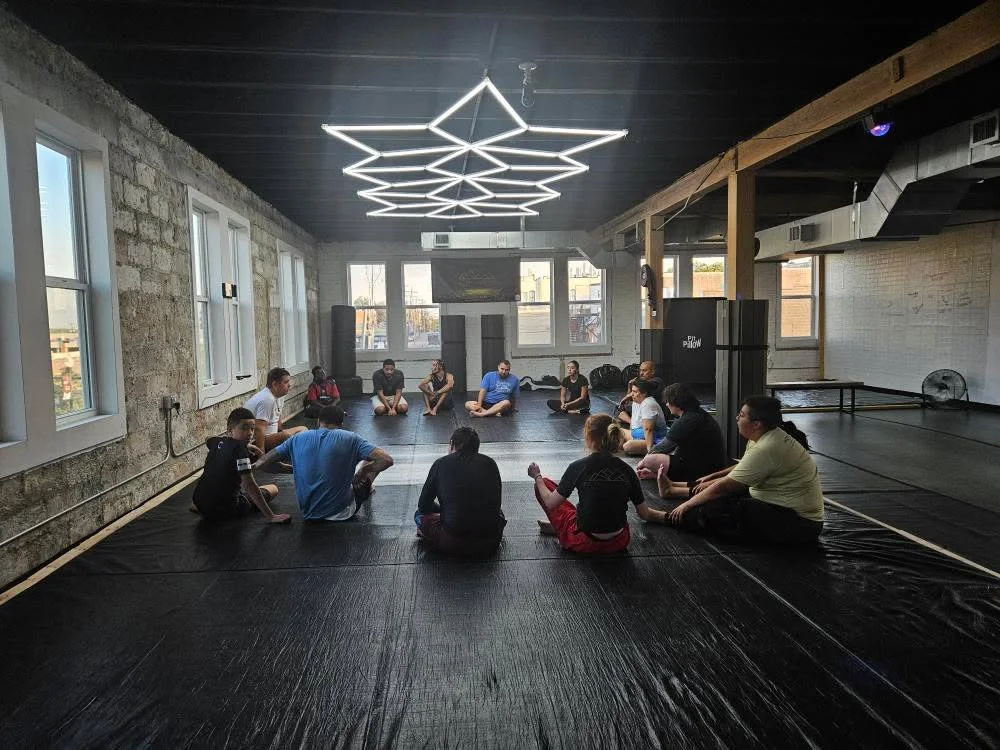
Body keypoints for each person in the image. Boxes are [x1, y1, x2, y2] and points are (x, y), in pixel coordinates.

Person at [662, 395, 824, 544]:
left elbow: (725, 486)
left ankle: (663, 517)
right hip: (778, 505)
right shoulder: (765, 436)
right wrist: (713, 476)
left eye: (742, 415)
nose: (737, 418)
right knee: (718, 491)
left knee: (723, 507)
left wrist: (687, 505)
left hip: (800, 525)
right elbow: (742, 467)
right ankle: (674, 490)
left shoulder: (767, 447)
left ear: (757, 424)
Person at [528, 413, 668, 554]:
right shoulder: (628, 471)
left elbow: (550, 503)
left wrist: (537, 476)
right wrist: (669, 517)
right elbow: (644, 514)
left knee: (544, 484)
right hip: (618, 542)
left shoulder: (578, 466)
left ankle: (561, 527)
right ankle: (562, 526)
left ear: (588, 437)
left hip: (583, 541)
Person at [256, 405, 394, 521]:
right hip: (341, 513)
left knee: (367, 458)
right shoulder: (351, 438)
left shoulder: (297, 438)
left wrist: (297, 469)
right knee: (369, 460)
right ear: (341, 424)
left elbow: (262, 463)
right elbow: (386, 460)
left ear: (318, 421)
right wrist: (363, 472)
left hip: (308, 513)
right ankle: (368, 488)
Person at [414, 427, 506, 556]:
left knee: (419, 515)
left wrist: (443, 510)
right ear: (477, 447)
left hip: (453, 543)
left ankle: (429, 531)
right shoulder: (490, 463)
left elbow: (423, 505)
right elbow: (496, 504)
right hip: (491, 541)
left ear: (451, 444)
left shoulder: (441, 463)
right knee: (497, 512)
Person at [191, 407, 291, 523]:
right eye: (244, 428)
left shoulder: (217, 442)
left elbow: (207, 438)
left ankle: (203, 506)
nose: (249, 433)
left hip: (199, 503)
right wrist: (271, 516)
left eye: (252, 429)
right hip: (226, 510)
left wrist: (244, 445)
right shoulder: (240, 451)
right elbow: (249, 485)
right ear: (230, 429)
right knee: (273, 489)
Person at [635, 382, 727, 487]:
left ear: (676, 402)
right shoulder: (697, 414)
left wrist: (642, 463)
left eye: (668, 401)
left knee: (649, 460)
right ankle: (659, 475)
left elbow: (661, 448)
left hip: (702, 471)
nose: (667, 404)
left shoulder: (687, 420)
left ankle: (672, 477)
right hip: (709, 465)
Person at [245, 366, 307, 453]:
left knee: (303, 430)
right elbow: (259, 429)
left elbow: (277, 419)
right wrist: (261, 455)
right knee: (287, 436)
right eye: (286, 382)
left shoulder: (279, 396)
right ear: (275, 385)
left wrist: (281, 432)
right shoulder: (267, 399)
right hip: (255, 441)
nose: (289, 385)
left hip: (271, 436)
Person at [621, 379, 669, 455]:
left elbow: (648, 430)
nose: (631, 394)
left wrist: (650, 451)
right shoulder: (637, 401)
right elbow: (634, 425)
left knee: (628, 446)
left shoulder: (648, 403)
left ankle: (656, 451)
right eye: (632, 391)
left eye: (635, 392)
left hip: (655, 440)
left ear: (644, 393)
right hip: (638, 436)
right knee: (617, 431)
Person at [617, 361, 665, 426]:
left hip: (653, 411)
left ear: (652, 372)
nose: (641, 373)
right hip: (643, 409)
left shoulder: (657, 381)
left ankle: (633, 422)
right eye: (640, 370)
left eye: (644, 370)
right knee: (619, 409)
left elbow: (645, 386)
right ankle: (632, 422)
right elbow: (631, 399)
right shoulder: (642, 382)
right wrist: (629, 386)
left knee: (621, 414)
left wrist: (626, 397)